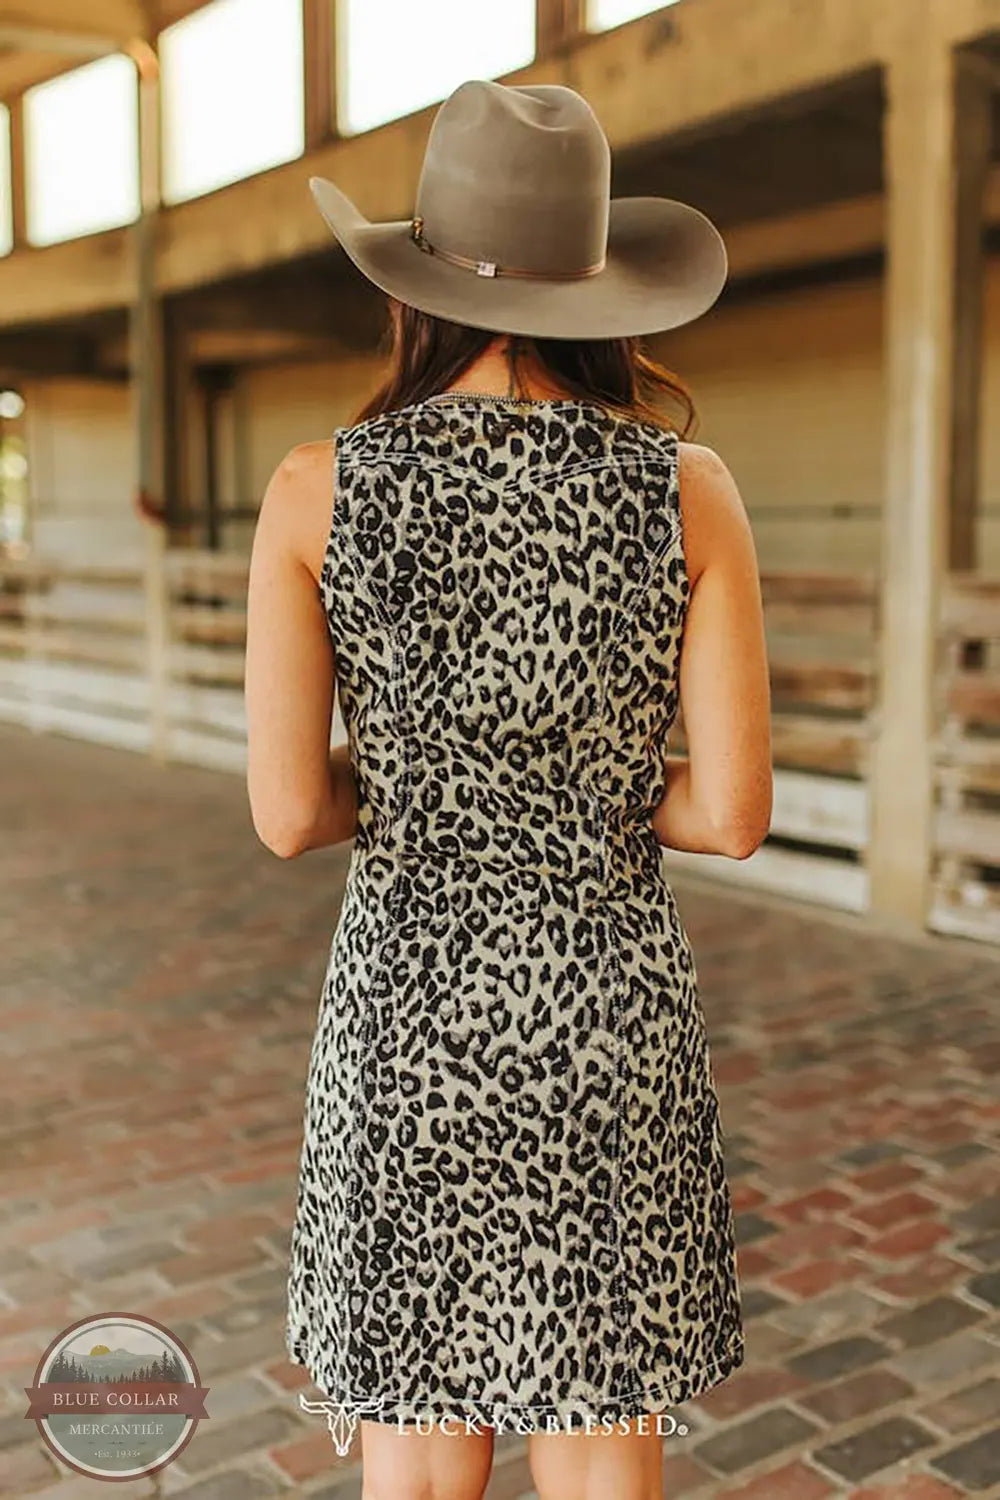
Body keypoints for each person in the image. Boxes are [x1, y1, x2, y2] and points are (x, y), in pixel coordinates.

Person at [245, 78, 772, 1500]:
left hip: (407, 1014)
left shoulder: (317, 489)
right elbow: (727, 810)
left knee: (417, 1458)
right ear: (600, 289)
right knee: (602, 1429)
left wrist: (434, 788)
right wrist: (577, 795)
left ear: (417, 285)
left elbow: (289, 810)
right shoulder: (687, 488)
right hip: (609, 1012)